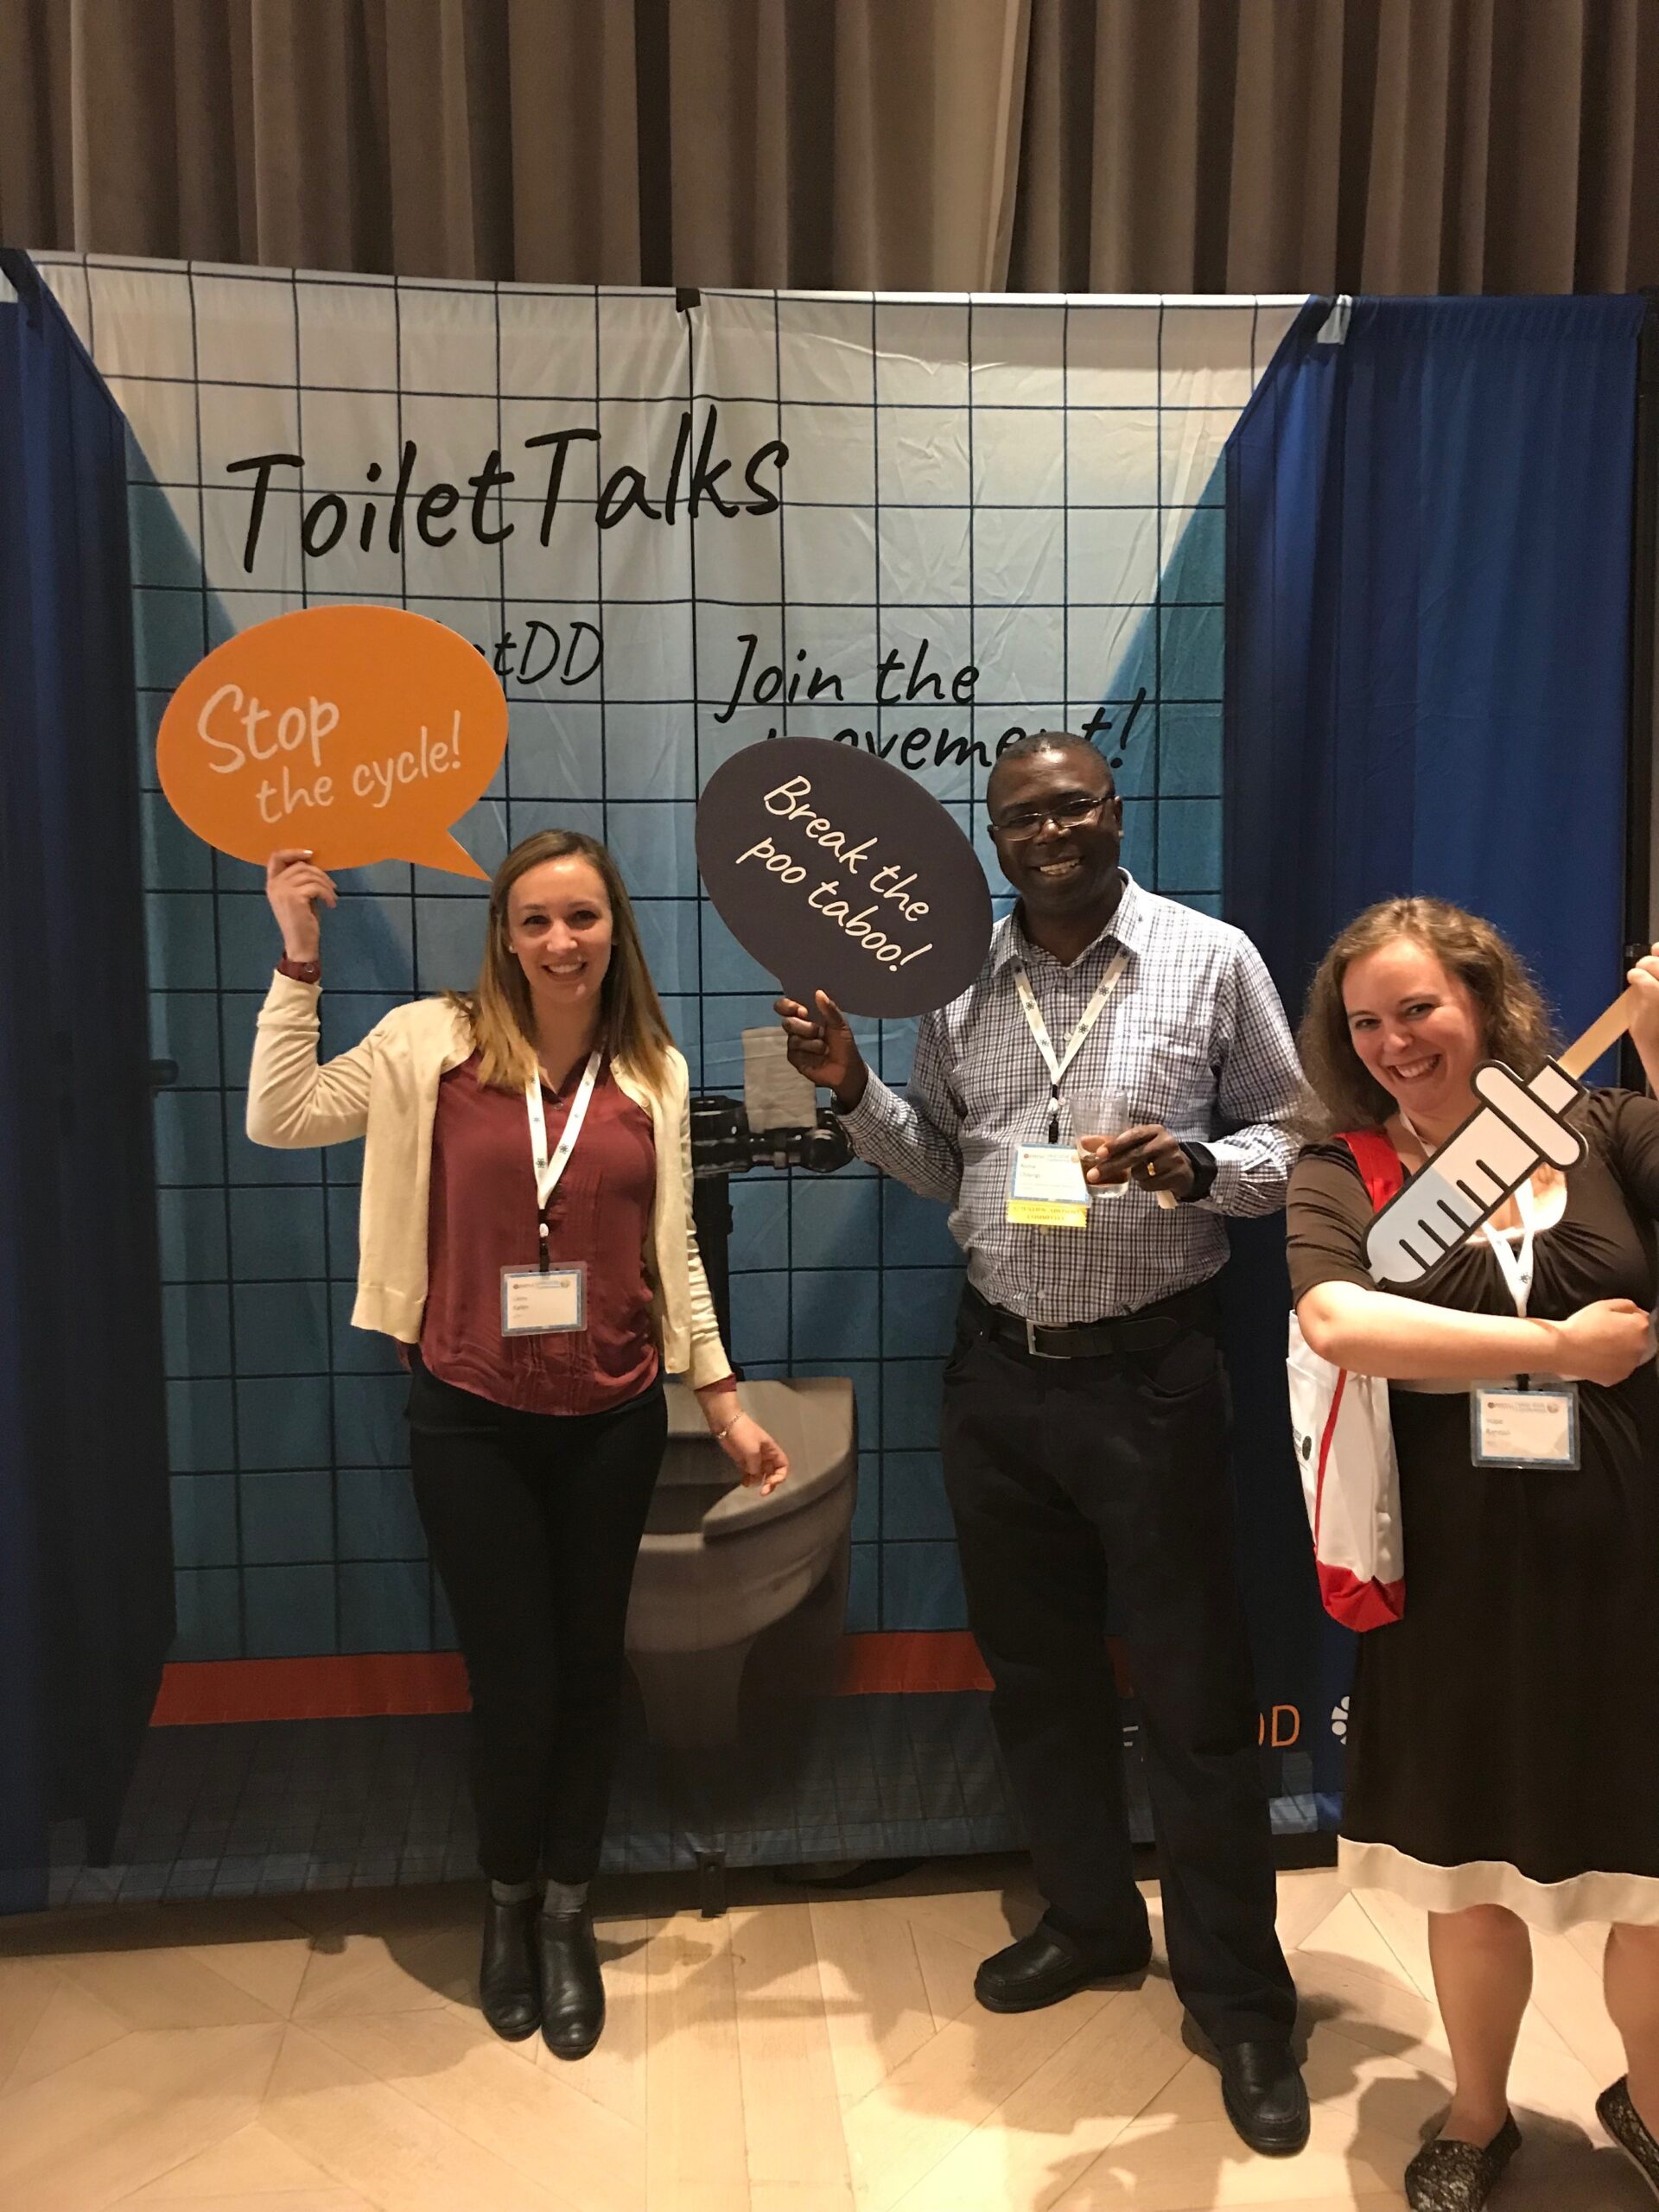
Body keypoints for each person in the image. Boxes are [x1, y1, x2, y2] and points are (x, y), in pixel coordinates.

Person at [778, 731, 1310, 2156]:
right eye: (1024, 816)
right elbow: (948, 1168)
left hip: (1154, 1379)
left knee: (1198, 1697)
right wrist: (848, 1093)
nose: (1051, 831)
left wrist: (1198, 1163)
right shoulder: (950, 980)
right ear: (994, 838)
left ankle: (1242, 2002)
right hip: (999, 1379)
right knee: (1039, 1681)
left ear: (1116, 811)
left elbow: (1297, 1143)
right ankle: (1087, 1921)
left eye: (1073, 804)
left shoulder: (1210, 960)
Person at [248, 831, 787, 2060]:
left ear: (614, 932)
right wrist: (298, 959)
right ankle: (504, 1907)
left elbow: (676, 1257)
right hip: (470, 1411)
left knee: (592, 1675)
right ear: (503, 933)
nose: (559, 941)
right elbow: (280, 1116)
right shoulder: (425, 1045)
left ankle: (568, 1916)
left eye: (582, 918)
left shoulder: (650, 1068)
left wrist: (725, 1404)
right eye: (535, 919)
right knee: (515, 1683)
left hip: (609, 1416)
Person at [1288, 897, 1659, 2211]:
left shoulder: (1608, 1129)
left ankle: (1652, 2104)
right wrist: (1556, 1352)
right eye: (1367, 1022)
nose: (1395, 1041)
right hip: (1446, 1576)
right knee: (1460, 1864)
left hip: (1630, 1572)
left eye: (1420, 1010)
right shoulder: (1344, 1172)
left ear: (1487, 1003)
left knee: (1648, 1872)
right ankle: (1479, 2109)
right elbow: (1340, 1322)